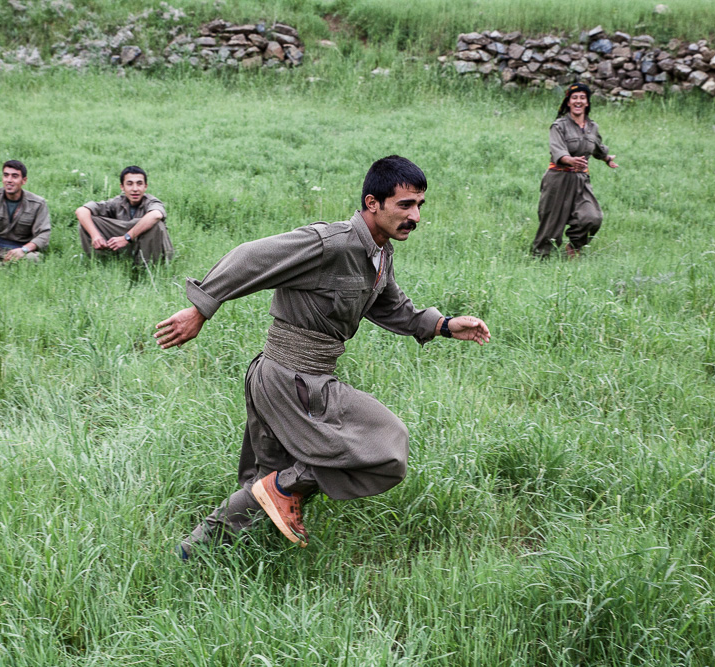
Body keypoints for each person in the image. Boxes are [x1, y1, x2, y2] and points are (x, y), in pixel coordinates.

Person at [154, 155, 491, 558]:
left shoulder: (378, 254)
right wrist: (201, 308)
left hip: (290, 377)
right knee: (387, 444)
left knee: (266, 483)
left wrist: (445, 324)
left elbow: (392, 307)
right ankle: (277, 492)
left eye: (420, 205)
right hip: (292, 379)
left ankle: (191, 555)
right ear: (372, 203)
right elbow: (249, 256)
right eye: (405, 205)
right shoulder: (330, 243)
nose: (415, 215)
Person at [530, 82, 619, 258]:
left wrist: (606, 158)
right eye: (574, 98)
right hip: (558, 178)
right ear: (568, 102)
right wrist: (570, 160)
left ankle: (574, 246)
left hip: (581, 180)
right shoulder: (559, 126)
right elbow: (557, 149)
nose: (578, 101)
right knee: (550, 226)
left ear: (587, 102)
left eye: (582, 98)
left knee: (592, 218)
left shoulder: (592, 127)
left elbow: (596, 147)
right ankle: (539, 259)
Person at [75, 166, 174, 264]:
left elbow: (156, 215)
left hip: (150, 250)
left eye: (139, 184)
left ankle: (149, 267)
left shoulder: (152, 202)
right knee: (86, 222)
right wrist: (96, 236)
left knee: (155, 224)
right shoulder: (117, 202)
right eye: (129, 184)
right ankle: (102, 263)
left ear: (145, 186)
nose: (135, 189)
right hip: (128, 246)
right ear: (122, 187)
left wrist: (126, 238)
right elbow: (81, 211)